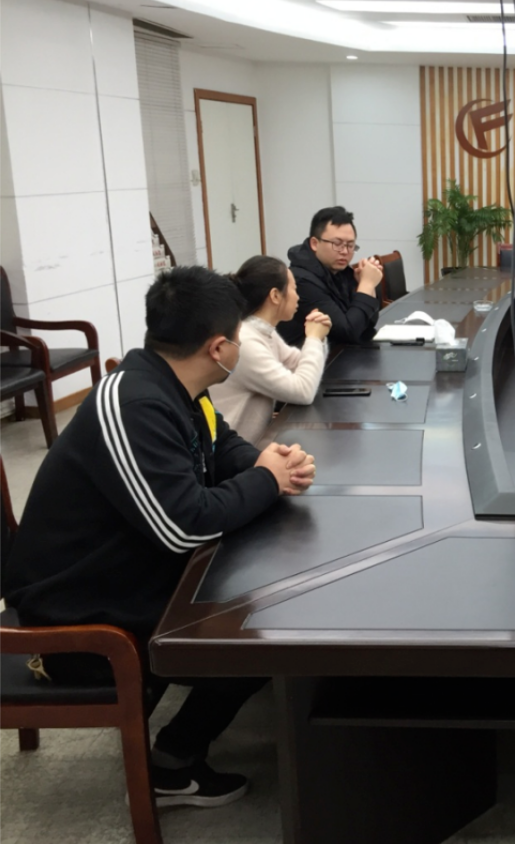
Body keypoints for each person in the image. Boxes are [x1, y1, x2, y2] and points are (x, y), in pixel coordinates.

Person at [3, 266, 317, 807]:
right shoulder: (134, 404)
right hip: (75, 615)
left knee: (262, 594)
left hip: (124, 572)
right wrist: (267, 481)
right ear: (218, 348)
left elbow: (219, 446)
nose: (239, 346)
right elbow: (183, 526)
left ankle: (181, 749)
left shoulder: (179, 385)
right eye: (238, 338)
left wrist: (267, 461)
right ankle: (174, 765)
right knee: (255, 630)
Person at [211, 255, 332, 441]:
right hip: (237, 451)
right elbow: (303, 391)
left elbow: (298, 365)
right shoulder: (246, 341)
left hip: (253, 442)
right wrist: (314, 338)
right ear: (275, 295)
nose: (298, 297)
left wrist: (318, 338)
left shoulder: (262, 331)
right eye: (294, 289)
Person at [278, 206, 383, 347]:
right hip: (304, 357)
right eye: (337, 244)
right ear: (315, 244)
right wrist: (366, 285)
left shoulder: (340, 271)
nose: (345, 251)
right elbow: (348, 332)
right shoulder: (301, 281)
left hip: (335, 352)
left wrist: (364, 285)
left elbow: (367, 323)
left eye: (350, 245)